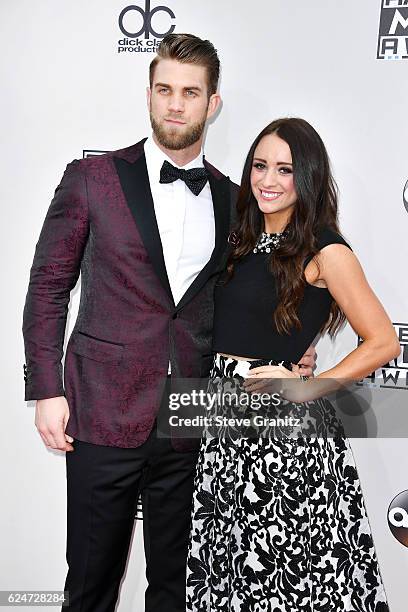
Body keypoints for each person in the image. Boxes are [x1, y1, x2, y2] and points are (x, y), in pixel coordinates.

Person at [22, 36, 316, 612]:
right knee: (89, 586)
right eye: (164, 91)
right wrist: (47, 390)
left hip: (191, 420)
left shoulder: (238, 201)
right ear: (150, 95)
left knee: (178, 593)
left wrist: (291, 349)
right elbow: (48, 286)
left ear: (213, 104)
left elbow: (249, 299)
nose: (175, 105)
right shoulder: (93, 178)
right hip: (100, 414)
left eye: (190, 93)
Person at [186, 118, 400, 611]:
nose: (267, 180)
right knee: (233, 571)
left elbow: (384, 340)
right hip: (223, 425)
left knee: (290, 579)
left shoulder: (326, 249)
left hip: (285, 443)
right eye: (260, 166)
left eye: (284, 169)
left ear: (307, 177)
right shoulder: (242, 238)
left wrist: (306, 387)